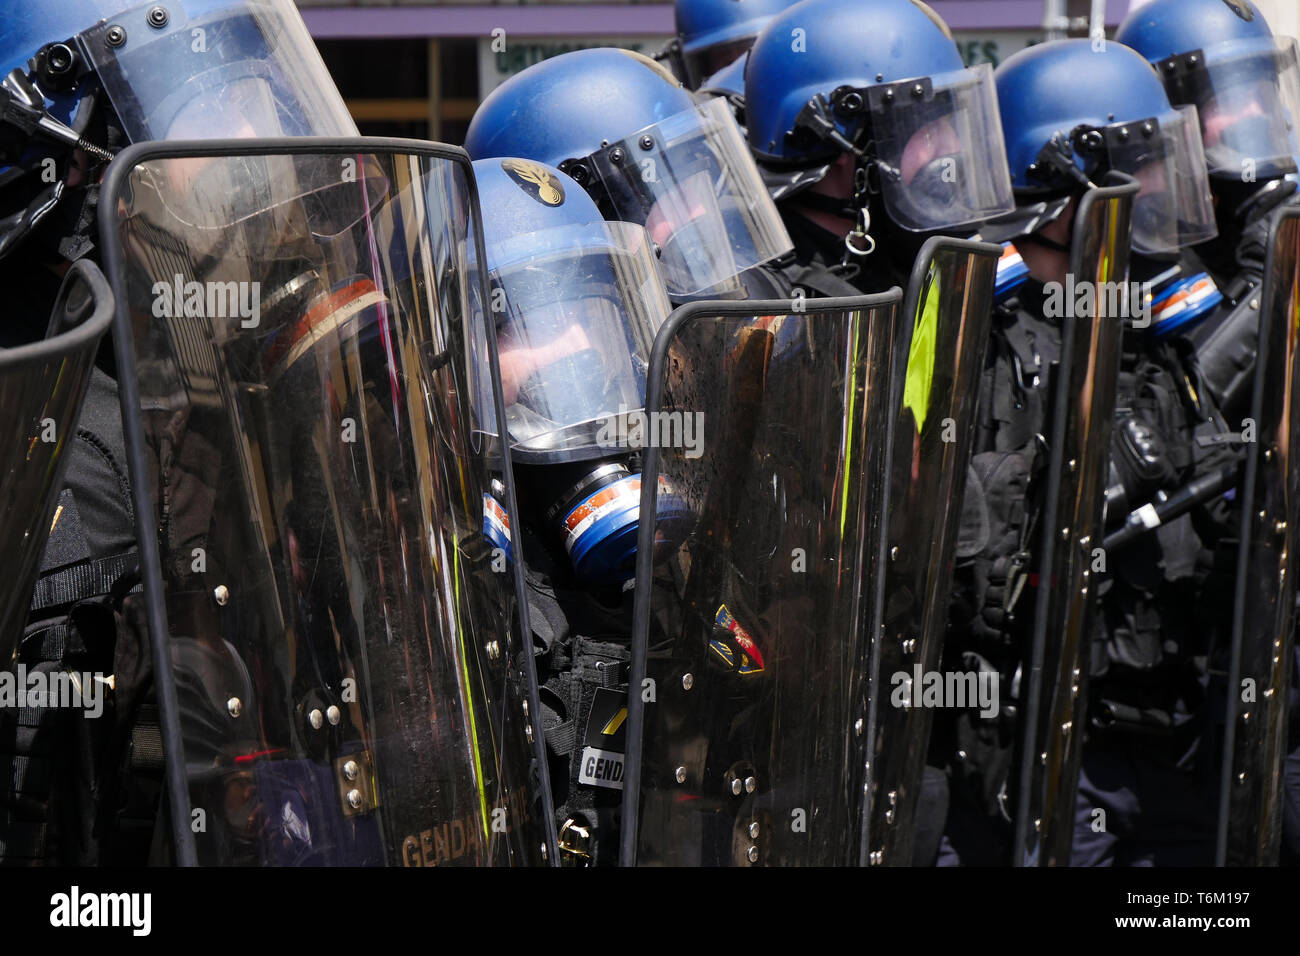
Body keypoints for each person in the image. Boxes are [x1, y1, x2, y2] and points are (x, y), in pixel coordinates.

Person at [0, 0, 358, 866]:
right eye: (216, 99)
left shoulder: (238, 403)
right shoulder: (59, 458)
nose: (263, 136)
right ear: (81, 162)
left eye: (263, 91)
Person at [931, 37, 1227, 866]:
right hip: (1033, 747)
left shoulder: (1158, 330)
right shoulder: (977, 341)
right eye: (1141, 165)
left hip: (1175, 732)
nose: (1162, 190)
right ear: (1069, 185)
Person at [463, 47, 803, 303]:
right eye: (666, 196)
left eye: (695, 180)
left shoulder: (759, 298)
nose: (702, 213)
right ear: (585, 219)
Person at [741, 0, 1017, 296]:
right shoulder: (764, 305)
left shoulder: (908, 261)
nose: (953, 146)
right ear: (840, 145)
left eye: (950, 123)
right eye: (929, 129)